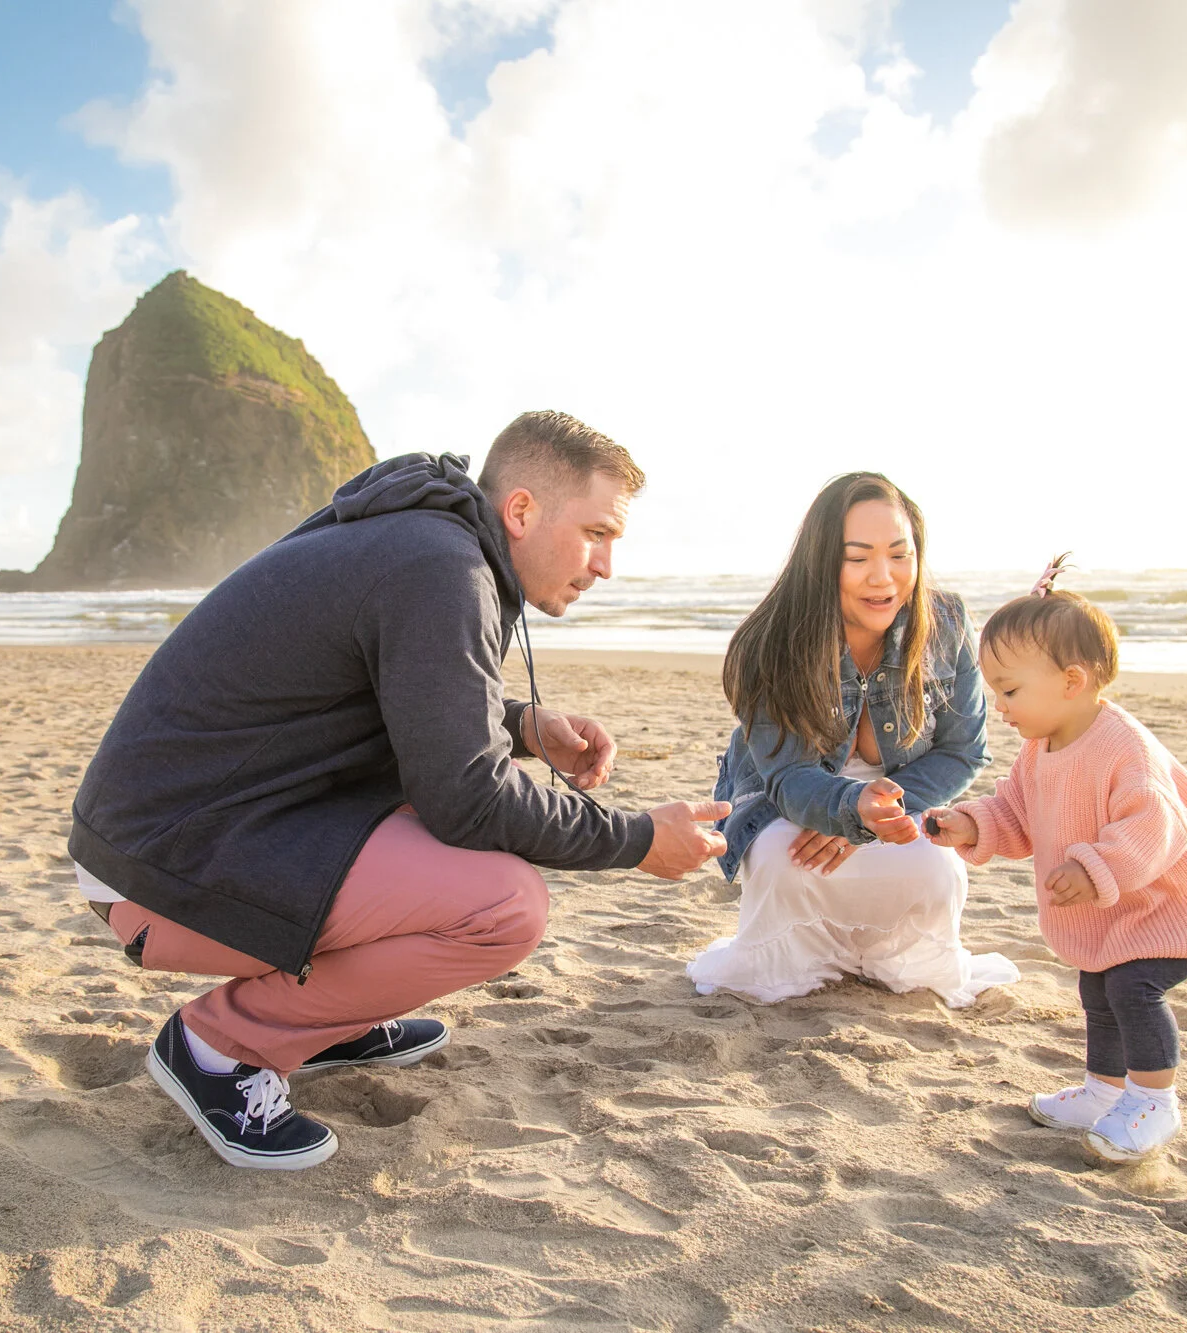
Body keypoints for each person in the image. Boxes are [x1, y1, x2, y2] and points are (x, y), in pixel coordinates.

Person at [68, 411, 729, 1171]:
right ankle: (222, 1046)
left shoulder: (427, 541)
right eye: (598, 533)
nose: (607, 564)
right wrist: (640, 839)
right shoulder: (442, 569)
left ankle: (324, 1017)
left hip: (174, 832)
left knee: (439, 821)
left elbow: (388, 702)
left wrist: (522, 726)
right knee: (504, 905)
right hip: (160, 872)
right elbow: (471, 799)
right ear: (521, 510)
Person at [924, 559, 1187, 1162]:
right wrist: (972, 823)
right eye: (995, 690)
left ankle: (1155, 1100)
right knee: (1097, 987)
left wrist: (1094, 867)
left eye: (1011, 690)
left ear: (1072, 681)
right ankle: (1104, 1090)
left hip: (1181, 903)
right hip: (1125, 909)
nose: (999, 706)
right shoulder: (1040, 748)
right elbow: (1018, 812)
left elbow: (1159, 825)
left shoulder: (1124, 747)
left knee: (1132, 988)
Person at [688, 472, 1017, 1007]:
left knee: (936, 866)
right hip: (786, 796)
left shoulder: (946, 621)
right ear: (822, 561)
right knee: (783, 857)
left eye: (899, 554)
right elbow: (788, 774)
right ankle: (805, 956)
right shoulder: (771, 640)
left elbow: (964, 749)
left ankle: (888, 956)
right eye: (857, 557)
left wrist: (871, 818)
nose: (882, 578)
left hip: (898, 790)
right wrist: (847, 809)